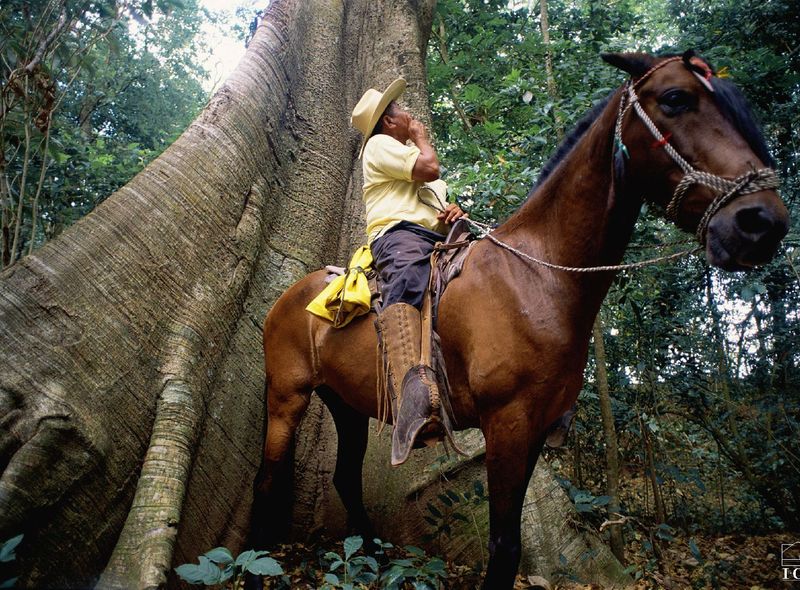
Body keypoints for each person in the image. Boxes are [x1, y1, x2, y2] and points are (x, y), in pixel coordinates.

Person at [350, 78, 466, 465]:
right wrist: (420, 136)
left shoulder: (405, 156)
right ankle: (411, 400)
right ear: (387, 124)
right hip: (398, 237)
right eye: (399, 112)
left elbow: (438, 204)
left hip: (435, 238)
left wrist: (452, 214)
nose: (407, 116)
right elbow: (430, 168)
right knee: (409, 279)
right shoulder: (380, 147)